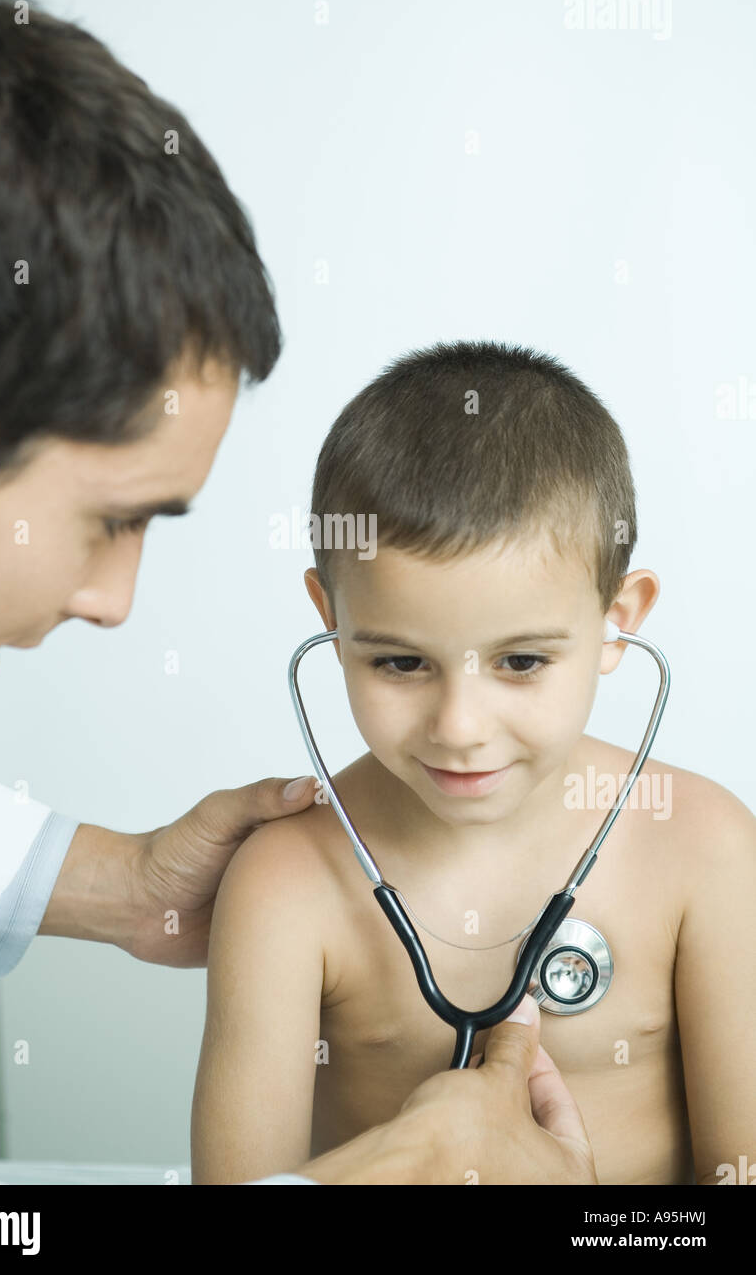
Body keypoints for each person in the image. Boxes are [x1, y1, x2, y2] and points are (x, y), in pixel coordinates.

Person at [0, 0, 595, 1186]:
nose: (115, 601)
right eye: (112, 519)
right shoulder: (292, 891)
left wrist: (115, 882)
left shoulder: (705, 847)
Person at [190, 341, 756, 1185]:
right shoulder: (285, 882)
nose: (458, 728)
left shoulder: (702, 846)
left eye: (520, 662)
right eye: (400, 663)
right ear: (330, 615)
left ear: (617, 621)